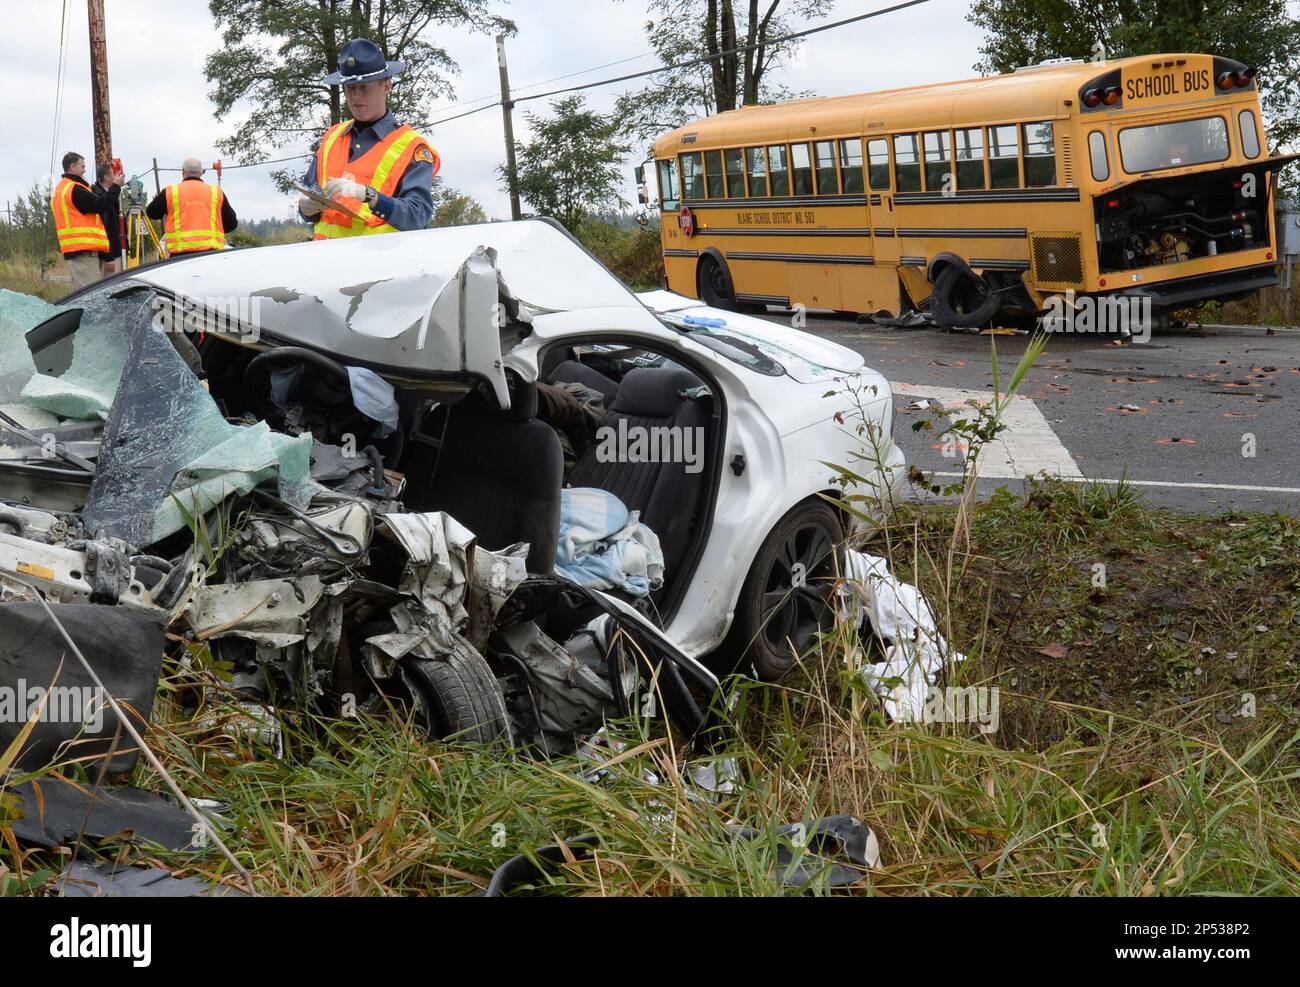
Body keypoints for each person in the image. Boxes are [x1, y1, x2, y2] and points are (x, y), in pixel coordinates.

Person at [298, 37, 439, 238]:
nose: (355, 97)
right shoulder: (331, 138)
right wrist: (305, 208)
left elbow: (418, 215)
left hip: (380, 264)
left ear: (387, 86)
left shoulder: (412, 147)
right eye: (350, 89)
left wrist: (370, 196)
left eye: (365, 88)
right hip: (324, 263)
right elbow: (311, 195)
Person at [50, 151, 121, 291]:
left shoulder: (61, 189)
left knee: (83, 294)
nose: (85, 169)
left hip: (78, 249)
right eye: (82, 166)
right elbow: (100, 205)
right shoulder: (75, 189)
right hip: (82, 250)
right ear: (72, 167)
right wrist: (116, 187)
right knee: (90, 297)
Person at [146, 158, 237, 255]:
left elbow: (151, 213)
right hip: (211, 255)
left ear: (183, 172)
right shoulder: (216, 192)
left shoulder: (171, 192)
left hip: (180, 257)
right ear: (201, 172)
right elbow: (231, 224)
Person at [94, 161, 126, 273]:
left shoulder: (110, 194)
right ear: (106, 177)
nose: (116, 176)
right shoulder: (99, 196)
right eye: (113, 174)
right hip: (108, 256)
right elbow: (105, 228)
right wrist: (109, 256)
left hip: (115, 251)